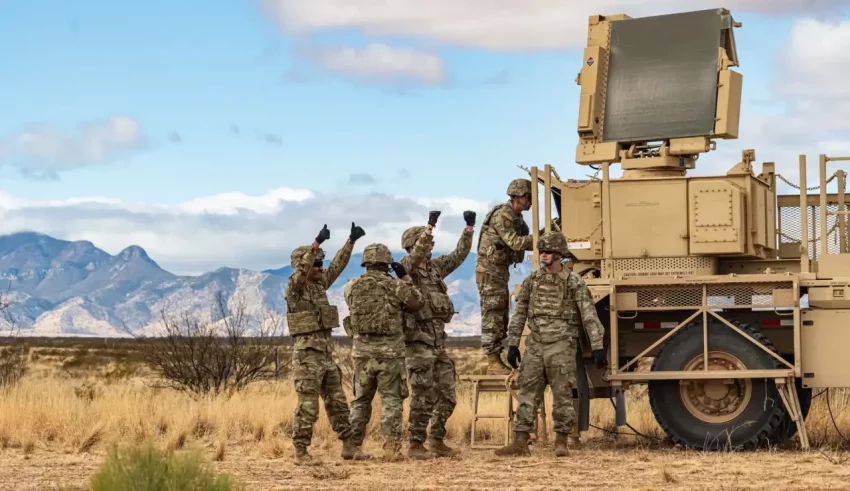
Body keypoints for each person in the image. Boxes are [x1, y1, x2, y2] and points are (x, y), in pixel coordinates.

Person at [494, 232, 607, 457]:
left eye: (547, 252)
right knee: (527, 391)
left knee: (562, 394)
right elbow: (520, 313)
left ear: (558, 255)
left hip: (562, 344)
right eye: (541, 251)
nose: (543, 255)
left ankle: (562, 441)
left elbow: (588, 315)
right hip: (535, 344)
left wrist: (597, 345)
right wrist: (513, 343)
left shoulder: (574, 282)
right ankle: (520, 441)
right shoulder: (533, 281)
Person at [285, 222, 367, 465]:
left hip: (325, 356)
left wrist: (351, 241)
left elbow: (338, 266)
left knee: (338, 403)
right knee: (308, 407)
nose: (321, 267)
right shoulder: (295, 290)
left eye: (321, 262)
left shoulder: (319, 286)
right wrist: (316, 244)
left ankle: (349, 446)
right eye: (316, 263)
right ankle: (301, 451)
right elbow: (301, 273)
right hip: (307, 357)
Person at [400, 209, 474, 459]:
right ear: (412, 245)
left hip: (438, 342)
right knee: (421, 395)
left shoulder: (434, 270)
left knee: (448, 393)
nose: (430, 247)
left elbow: (458, 256)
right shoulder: (405, 269)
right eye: (425, 242)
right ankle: (415, 444)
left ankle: (436, 440)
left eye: (431, 243)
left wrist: (468, 230)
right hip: (418, 343)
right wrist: (429, 226)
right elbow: (418, 253)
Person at [343, 243, 425, 461]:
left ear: (366, 263)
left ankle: (351, 447)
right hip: (390, 354)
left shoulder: (351, 286)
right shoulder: (395, 285)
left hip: (361, 353)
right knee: (391, 400)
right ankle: (391, 450)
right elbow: (417, 302)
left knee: (360, 400)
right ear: (387, 264)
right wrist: (405, 278)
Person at [476, 178, 535, 374]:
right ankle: (493, 361)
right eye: (529, 197)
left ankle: (496, 359)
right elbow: (516, 243)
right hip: (489, 271)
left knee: (501, 313)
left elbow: (528, 238)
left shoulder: (517, 218)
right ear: (519, 196)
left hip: (500, 270)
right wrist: (542, 238)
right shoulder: (503, 215)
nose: (531, 201)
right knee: (492, 312)